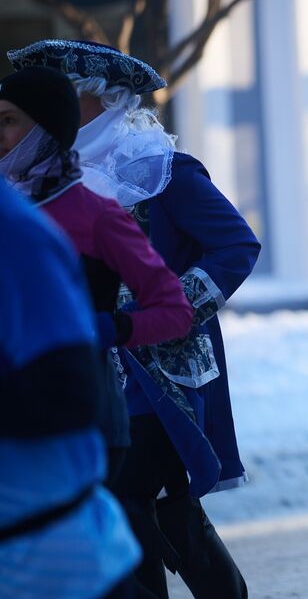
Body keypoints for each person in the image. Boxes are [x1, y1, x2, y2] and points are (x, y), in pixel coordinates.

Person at [9, 39, 261, 599]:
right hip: (90, 370)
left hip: (159, 375)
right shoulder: (35, 178)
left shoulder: (160, 170)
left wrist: (168, 308)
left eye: (73, 99)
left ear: (109, 100)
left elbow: (235, 245)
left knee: (133, 501)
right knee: (151, 512)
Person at [0, 66, 193, 484]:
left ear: (45, 129)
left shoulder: (95, 211)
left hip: (82, 412)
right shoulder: (7, 209)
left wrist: (103, 328)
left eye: (9, 120)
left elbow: (174, 310)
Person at [0, 181, 141, 599]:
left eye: (11, 120)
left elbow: (72, 391)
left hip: (49, 564)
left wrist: (114, 326)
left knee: (162, 512)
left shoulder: (15, 232)